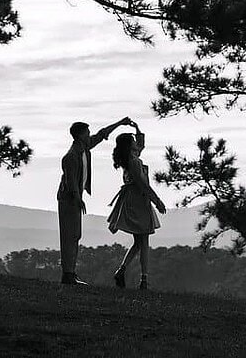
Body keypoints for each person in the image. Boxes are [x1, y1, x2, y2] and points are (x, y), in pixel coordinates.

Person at [57, 116, 132, 286]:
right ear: (80, 135)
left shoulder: (83, 148)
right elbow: (70, 182)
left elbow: (102, 134)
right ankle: (68, 275)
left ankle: (70, 273)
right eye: (87, 132)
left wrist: (120, 123)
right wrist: (78, 199)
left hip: (75, 199)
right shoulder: (71, 156)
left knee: (75, 235)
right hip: (69, 200)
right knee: (69, 236)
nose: (89, 134)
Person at [106, 121, 166, 290]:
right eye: (133, 140)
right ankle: (143, 279)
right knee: (143, 240)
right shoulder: (134, 161)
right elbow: (143, 184)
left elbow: (141, 144)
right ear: (129, 145)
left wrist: (137, 128)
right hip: (138, 202)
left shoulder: (130, 158)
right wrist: (157, 201)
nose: (136, 142)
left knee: (139, 242)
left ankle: (123, 271)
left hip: (133, 200)